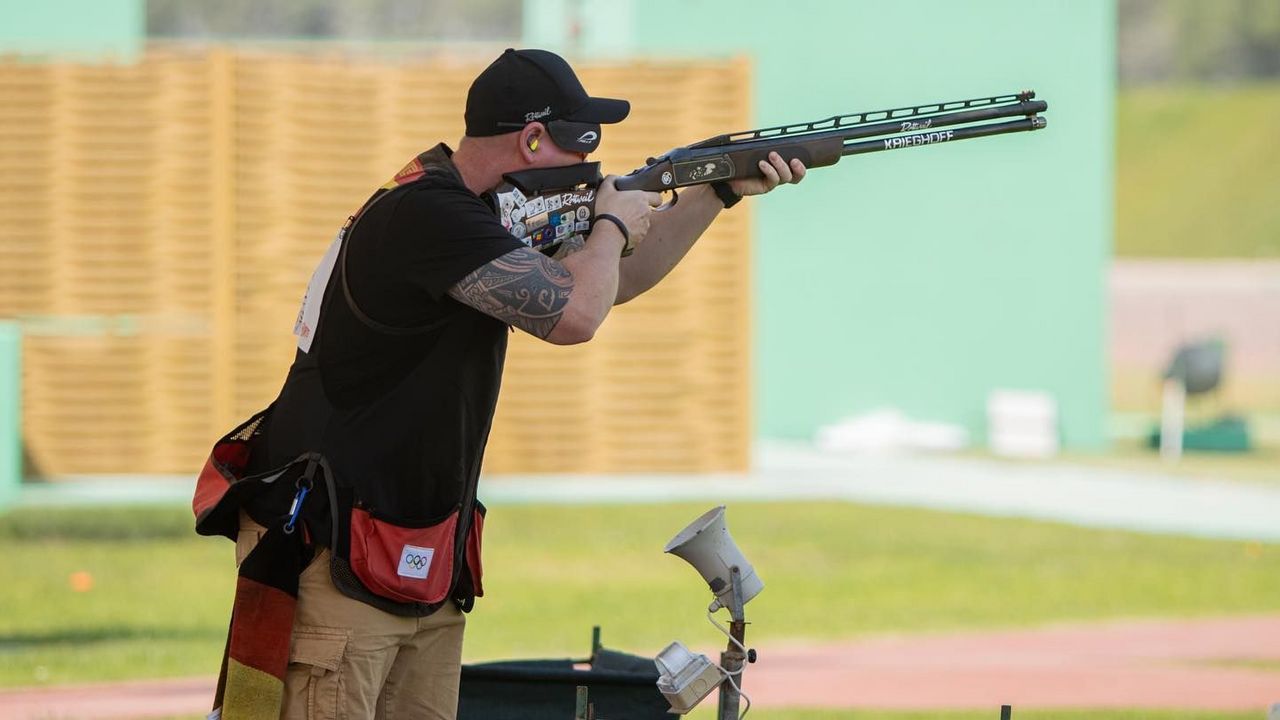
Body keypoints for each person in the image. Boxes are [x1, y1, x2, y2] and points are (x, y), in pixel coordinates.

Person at [198, 47, 804, 720]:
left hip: (419, 556)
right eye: (579, 148)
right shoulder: (428, 215)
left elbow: (609, 285)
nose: (587, 170)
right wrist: (608, 224)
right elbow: (576, 314)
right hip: (336, 554)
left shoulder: (482, 215)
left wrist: (714, 193)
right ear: (532, 138)